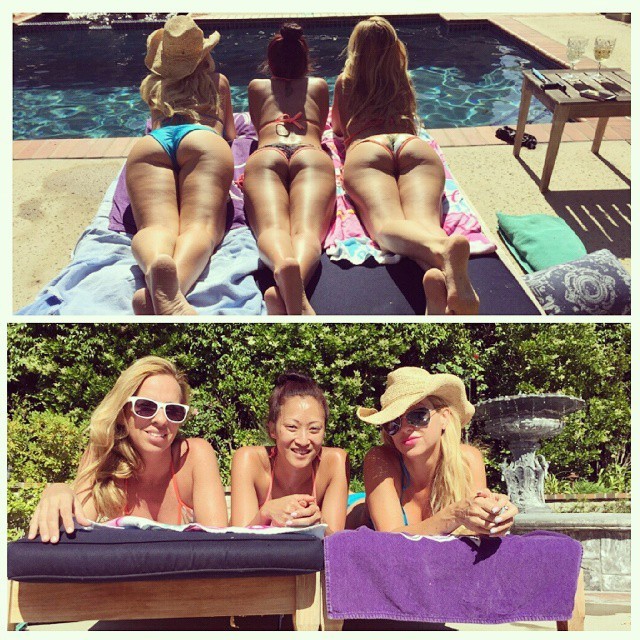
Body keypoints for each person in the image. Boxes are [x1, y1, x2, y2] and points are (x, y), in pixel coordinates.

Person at [331, 16, 479, 315]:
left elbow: (337, 128)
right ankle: (441, 288)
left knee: (386, 226)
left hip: (368, 148)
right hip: (412, 146)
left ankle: (442, 251)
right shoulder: (402, 77)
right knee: (425, 222)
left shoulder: (346, 81)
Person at [28, 356, 228, 543]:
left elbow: (219, 547)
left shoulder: (194, 456)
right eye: (146, 407)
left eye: (173, 411)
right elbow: (75, 537)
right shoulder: (103, 455)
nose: (161, 420)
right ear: (123, 413)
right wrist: (58, 490)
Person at [126, 15, 236, 315]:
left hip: (154, 144)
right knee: (200, 226)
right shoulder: (218, 81)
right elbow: (229, 134)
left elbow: (155, 123)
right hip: (202, 140)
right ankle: (172, 294)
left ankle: (155, 270)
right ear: (203, 53)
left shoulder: (155, 85)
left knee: (155, 226)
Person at [243, 23, 336, 315]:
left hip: (268, 152)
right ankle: (297, 288)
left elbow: (258, 126)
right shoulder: (319, 85)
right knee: (307, 231)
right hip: (309, 152)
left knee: (272, 228)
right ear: (305, 59)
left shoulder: (256, 87)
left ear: (270, 62)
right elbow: (322, 127)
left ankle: (284, 266)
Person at [357, 366, 517, 535]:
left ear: (444, 417)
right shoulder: (379, 459)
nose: (405, 428)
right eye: (393, 422)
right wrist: (455, 514)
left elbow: (476, 534)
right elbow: (391, 539)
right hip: (353, 507)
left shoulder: (468, 460)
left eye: (417, 415)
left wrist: (494, 518)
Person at [230, 372, 348, 534]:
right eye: (292, 427)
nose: (303, 440)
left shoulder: (335, 462)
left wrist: (320, 523)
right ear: (272, 429)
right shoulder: (249, 461)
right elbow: (238, 540)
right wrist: (266, 512)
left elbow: (335, 543)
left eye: (314, 429)